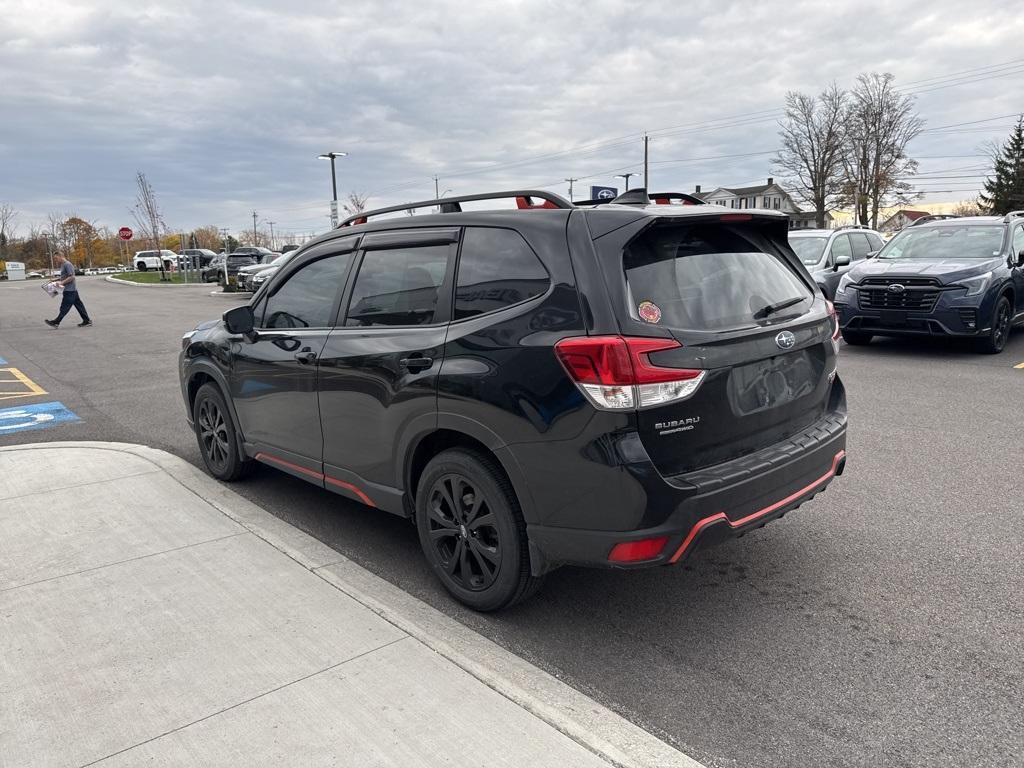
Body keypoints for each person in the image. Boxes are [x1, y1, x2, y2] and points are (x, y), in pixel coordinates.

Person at [44, 254, 92, 328]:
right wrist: (56, 279)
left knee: (65, 307)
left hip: (70, 290)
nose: (55, 260)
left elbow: (72, 277)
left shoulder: (68, 264)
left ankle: (56, 322)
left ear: (61, 256)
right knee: (79, 306)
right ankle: (87, 321)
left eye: (56, 258)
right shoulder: (63, 265)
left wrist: (61, 283)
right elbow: (65, 276)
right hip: (72, 290)